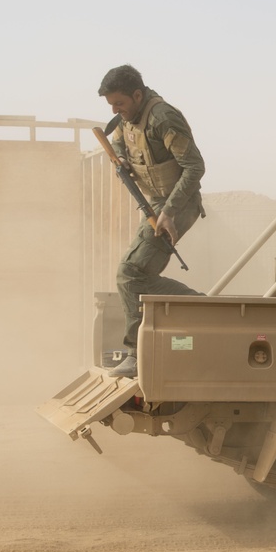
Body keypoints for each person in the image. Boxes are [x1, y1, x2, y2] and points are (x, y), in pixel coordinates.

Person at [98, 64, 206, 378]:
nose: (116, 110)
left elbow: (195, 167)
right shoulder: (126, 119)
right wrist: (119, 158)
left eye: (120, 103)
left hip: (178, 204)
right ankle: (192, 314)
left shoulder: (163, 118)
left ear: (137, 93)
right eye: (111, 106)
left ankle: (140, 349)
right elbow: (121, 141)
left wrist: (169, 214)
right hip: (154, 204)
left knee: (130, 273)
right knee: (138, 274)